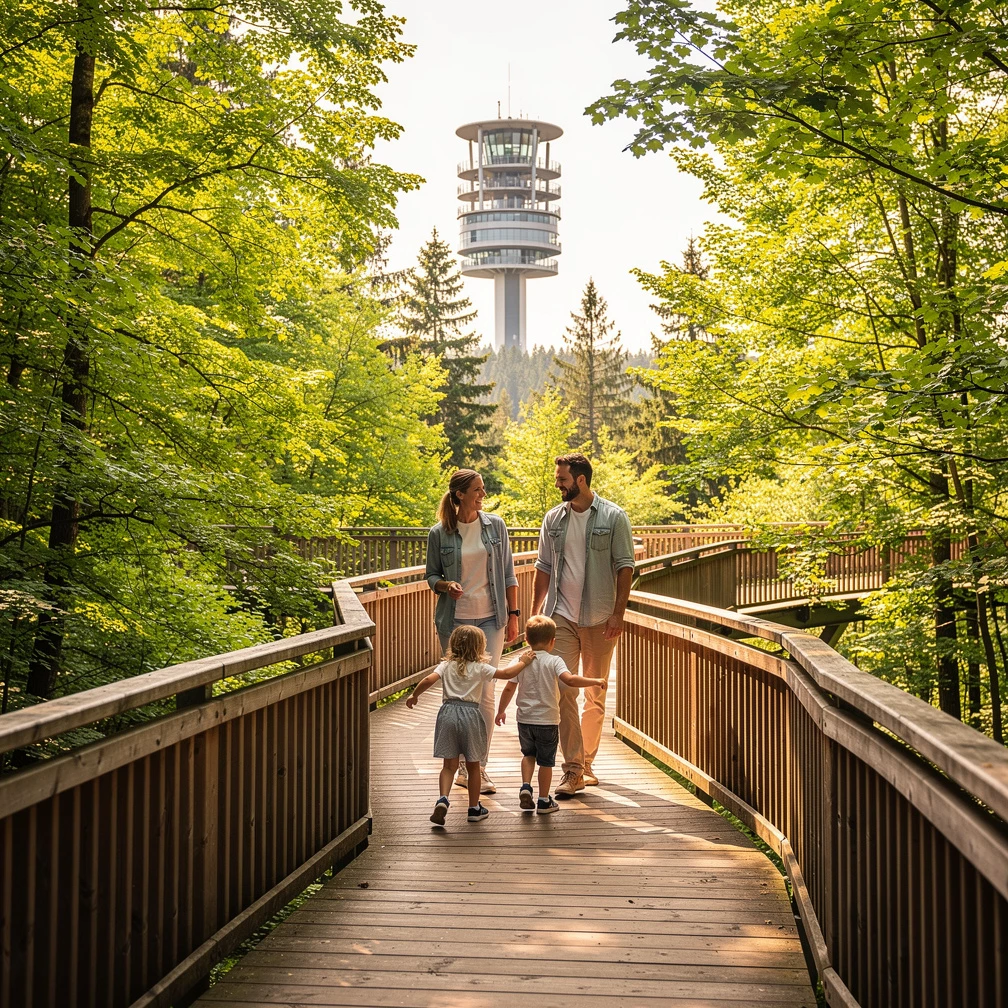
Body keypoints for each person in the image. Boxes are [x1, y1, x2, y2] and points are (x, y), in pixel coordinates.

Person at [530, 453, 635, 798]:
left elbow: (625, 567)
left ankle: (587, 765)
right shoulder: (553, 519)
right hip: (560, 615)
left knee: (595, 693)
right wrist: (536, 612)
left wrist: (618, 612)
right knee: (563, 690)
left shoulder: (614, 517)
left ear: (581, 480)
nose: (557, 484)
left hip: (600, 616)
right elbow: (543, 566)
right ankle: (573, 769)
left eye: (562, 479)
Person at [425, 469, 520, 796]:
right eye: (477, 490)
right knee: (455, 694)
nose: (482, 494)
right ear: (460, 494)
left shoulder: (496, 526)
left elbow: (508, 572)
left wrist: (514, 614)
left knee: (487, 692)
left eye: (482, 489)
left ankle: (478, 766)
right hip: (454, 623)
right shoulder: (439, 533)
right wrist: (444, 585)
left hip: (491, 619)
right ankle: (459, 764)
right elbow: (430, 575)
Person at [406, 624, 533, 826]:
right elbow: (508, 674)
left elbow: (429, 679)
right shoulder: (481, 667)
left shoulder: (446, 665)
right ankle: (474, 808)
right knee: (473, 765)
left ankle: (443, 799)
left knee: (449, 766)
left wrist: (414, 696)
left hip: (447, 713)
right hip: (470, 715)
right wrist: (524, 661)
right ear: (480, 647)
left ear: (453, 645)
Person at [494, 615, 608, 814]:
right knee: (546, 762)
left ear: (527, 640)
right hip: (547, 721)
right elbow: (570, 680)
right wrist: (594, 680)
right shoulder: (555, 661)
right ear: (553, 641)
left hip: (524, 720)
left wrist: (501, 710)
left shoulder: (520, 661)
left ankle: (526, 786)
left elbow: (509, 688)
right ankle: (544, 800)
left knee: (528, 755)